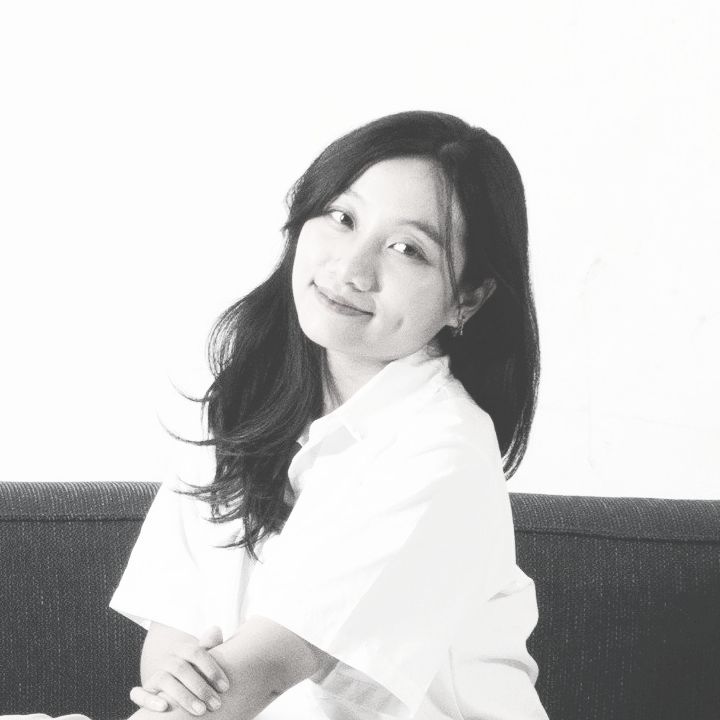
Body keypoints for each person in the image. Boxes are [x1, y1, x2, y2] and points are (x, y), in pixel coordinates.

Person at [111, 109, 548, 720]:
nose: (351, 269)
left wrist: (186, 694)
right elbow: (174, 636)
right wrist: (177, 677)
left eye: (408, 249)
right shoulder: (240, 396)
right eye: (343, 218)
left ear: (467, 298)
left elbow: (261, 672)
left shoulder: (443, 453)